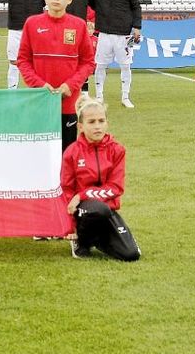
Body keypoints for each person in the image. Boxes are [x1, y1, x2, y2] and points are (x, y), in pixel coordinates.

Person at [17, 0, 97, 153]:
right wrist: (39, 85)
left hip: (68, 103)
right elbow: (23, 60)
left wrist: (70, 86)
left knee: (65, 153)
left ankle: (64, 183)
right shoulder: (32, 23)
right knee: (39, 153)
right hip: (39, 101)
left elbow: (88, 62)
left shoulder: (78, 25)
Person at [60, 96, 141, 261]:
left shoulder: (117, 150)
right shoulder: (72, 152)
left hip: (107, 210)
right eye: (91, 122)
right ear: (80, 126)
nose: (97, 126)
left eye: (101, 120)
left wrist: (82, 195)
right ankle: (81, 242)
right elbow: (66, 190)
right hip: (83, 212)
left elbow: (116, 187)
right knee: (98, 209)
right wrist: (70, 226)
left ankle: (99, 238)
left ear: (107, 123)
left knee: (131, 255)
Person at [89, 0, 143, 108]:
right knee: (100, 65)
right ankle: (99, 96)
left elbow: (136, 7)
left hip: (124, 35)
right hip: (104, 33)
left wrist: (137, 27)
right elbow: (91, 1)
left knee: (126, 66)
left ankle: (125, 97)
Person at [3, 0, 48, 89]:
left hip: (36, 27)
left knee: (37, 60)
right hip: (15, 26)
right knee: (14, 60)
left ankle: (36, 89)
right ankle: (12, 89)